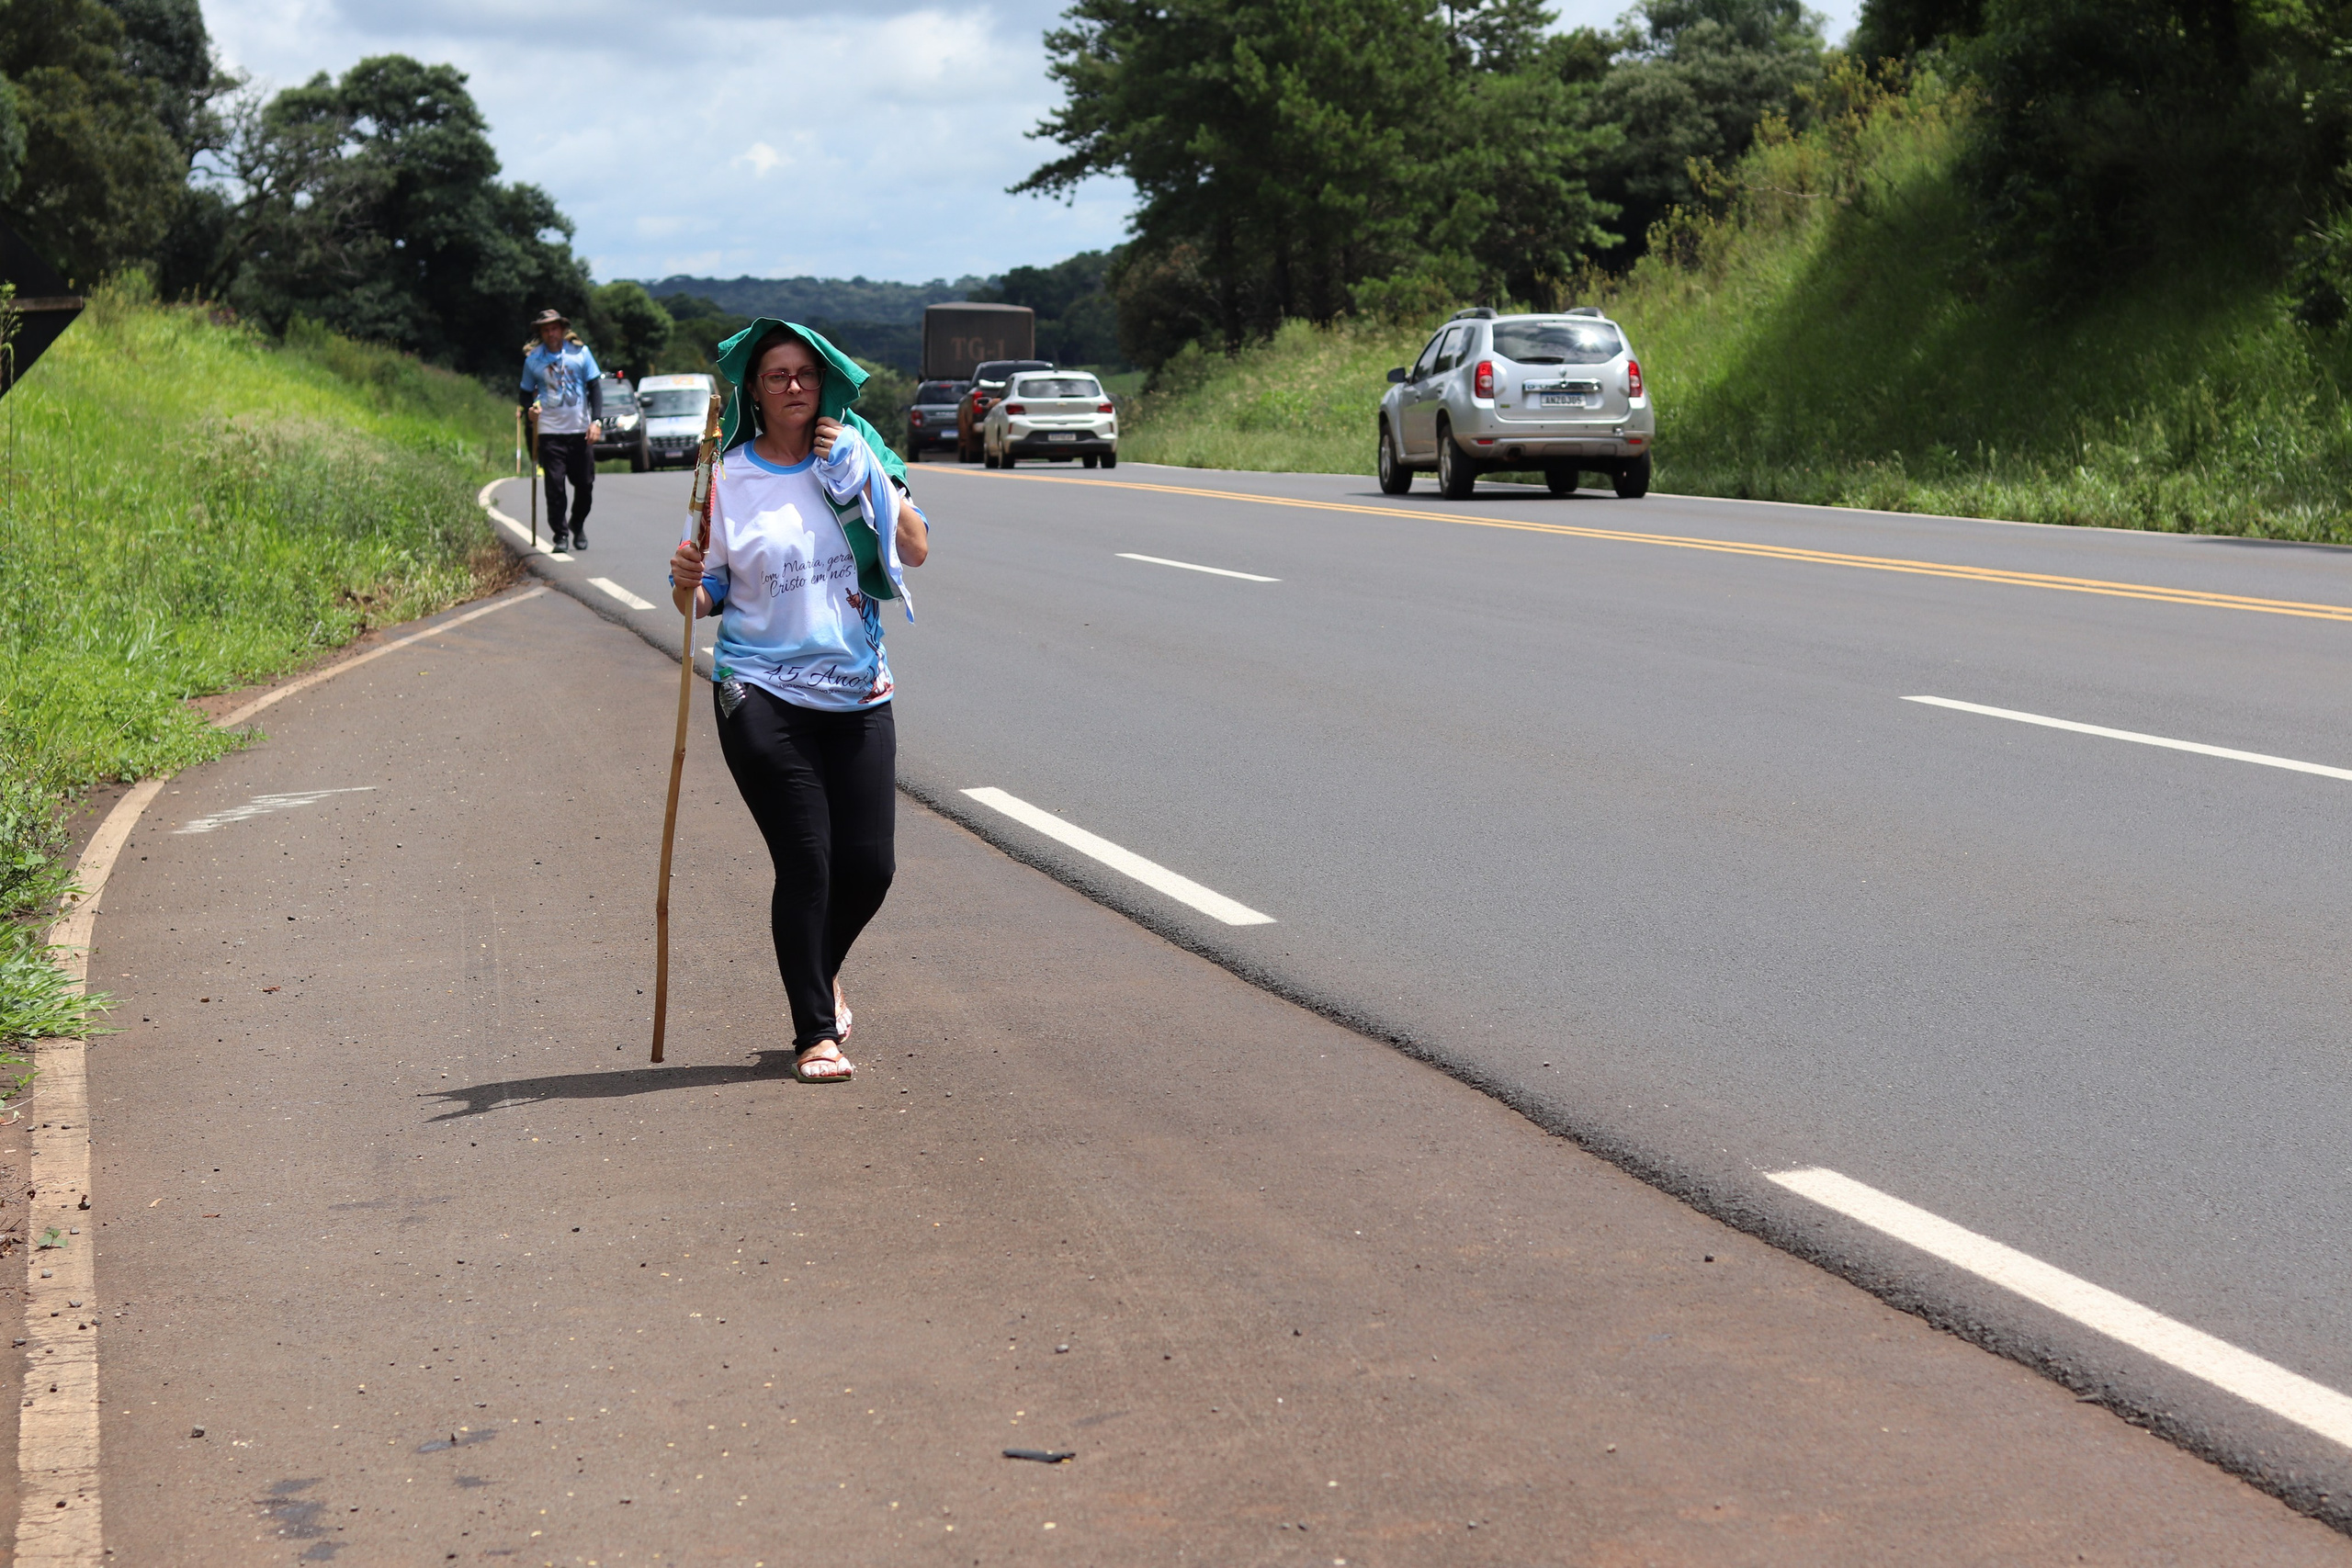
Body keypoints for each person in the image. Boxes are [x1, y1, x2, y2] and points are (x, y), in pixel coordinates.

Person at [668, 319, 931, 1083]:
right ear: (754, 387)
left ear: (826, 384)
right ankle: (816, 1032)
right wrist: (689, 581)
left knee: (870, 868)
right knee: (808, 859)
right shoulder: (729, 474)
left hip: (857, 688)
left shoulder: (857, 452)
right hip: (760, 688)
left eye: (805, 375)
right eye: (776, 374)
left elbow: (913, 549)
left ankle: (819, 971)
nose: (792, 386)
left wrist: (866, 476)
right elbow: (708, 591)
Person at [519, 308, 604, 551]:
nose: (550, 333)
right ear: (541, 333)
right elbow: (525, 392)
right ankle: (561, 535)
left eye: (554, 328)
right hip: (549, 432)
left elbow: (595, 388)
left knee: (585, 485)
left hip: (579, 431)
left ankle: (577, 523)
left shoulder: (581, 353)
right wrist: (529, 411)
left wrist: (595, 421)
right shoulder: (533, 359)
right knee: (554, 486)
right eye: (545, 329)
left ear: (563, 329)